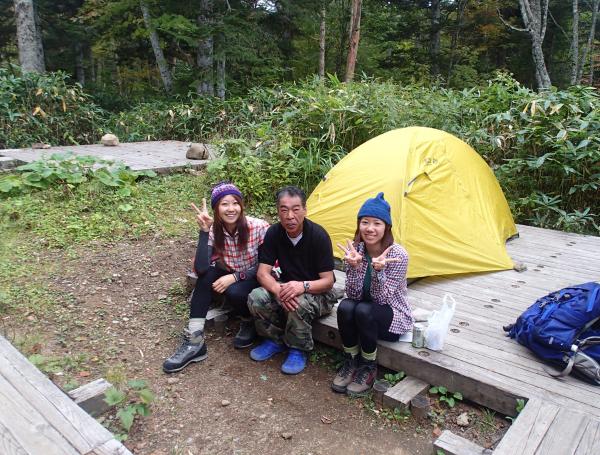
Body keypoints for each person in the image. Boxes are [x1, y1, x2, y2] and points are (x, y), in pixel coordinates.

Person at [163, 182, 269, 373]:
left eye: (235, 203)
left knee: (235, 291)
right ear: (216, 209)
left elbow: (267, 266)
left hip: (256, 275)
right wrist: (204, 231)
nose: (231, 209)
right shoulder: (214, 229)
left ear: (241, 206)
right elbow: (201, 269)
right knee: (206, 277)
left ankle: (248, 321)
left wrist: (236, 276)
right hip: (230, 271)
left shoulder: (259, 227)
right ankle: (195, 341)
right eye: (224, 204)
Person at [247, 186, 337, 375]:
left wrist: (302, 286)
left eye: (296, 209)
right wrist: (278, 290)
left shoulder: (318, 236)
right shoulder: (274, 233)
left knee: (298, 302)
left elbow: (328, 282)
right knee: (256, 297)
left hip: (319, 292)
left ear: (305, 210)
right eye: (284, 210)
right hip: (286, 287)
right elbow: (262, 273)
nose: (290, 216)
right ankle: (274, 339)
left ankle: (298, 349)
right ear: (278, 211)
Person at [331, 192, 413, 395]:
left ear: (386, 227)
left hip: (391, 317)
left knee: (364, 310)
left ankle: (368, 366)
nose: (370, 228)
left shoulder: (398, 255)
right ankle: (351, 361)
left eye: (377, 223)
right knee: (345, 306)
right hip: (363, 312)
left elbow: (381, 299)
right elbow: (352, 294)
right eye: (365, 222)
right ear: (359, 225)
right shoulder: (355, 250)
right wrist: (355, 267)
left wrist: (378, 271)